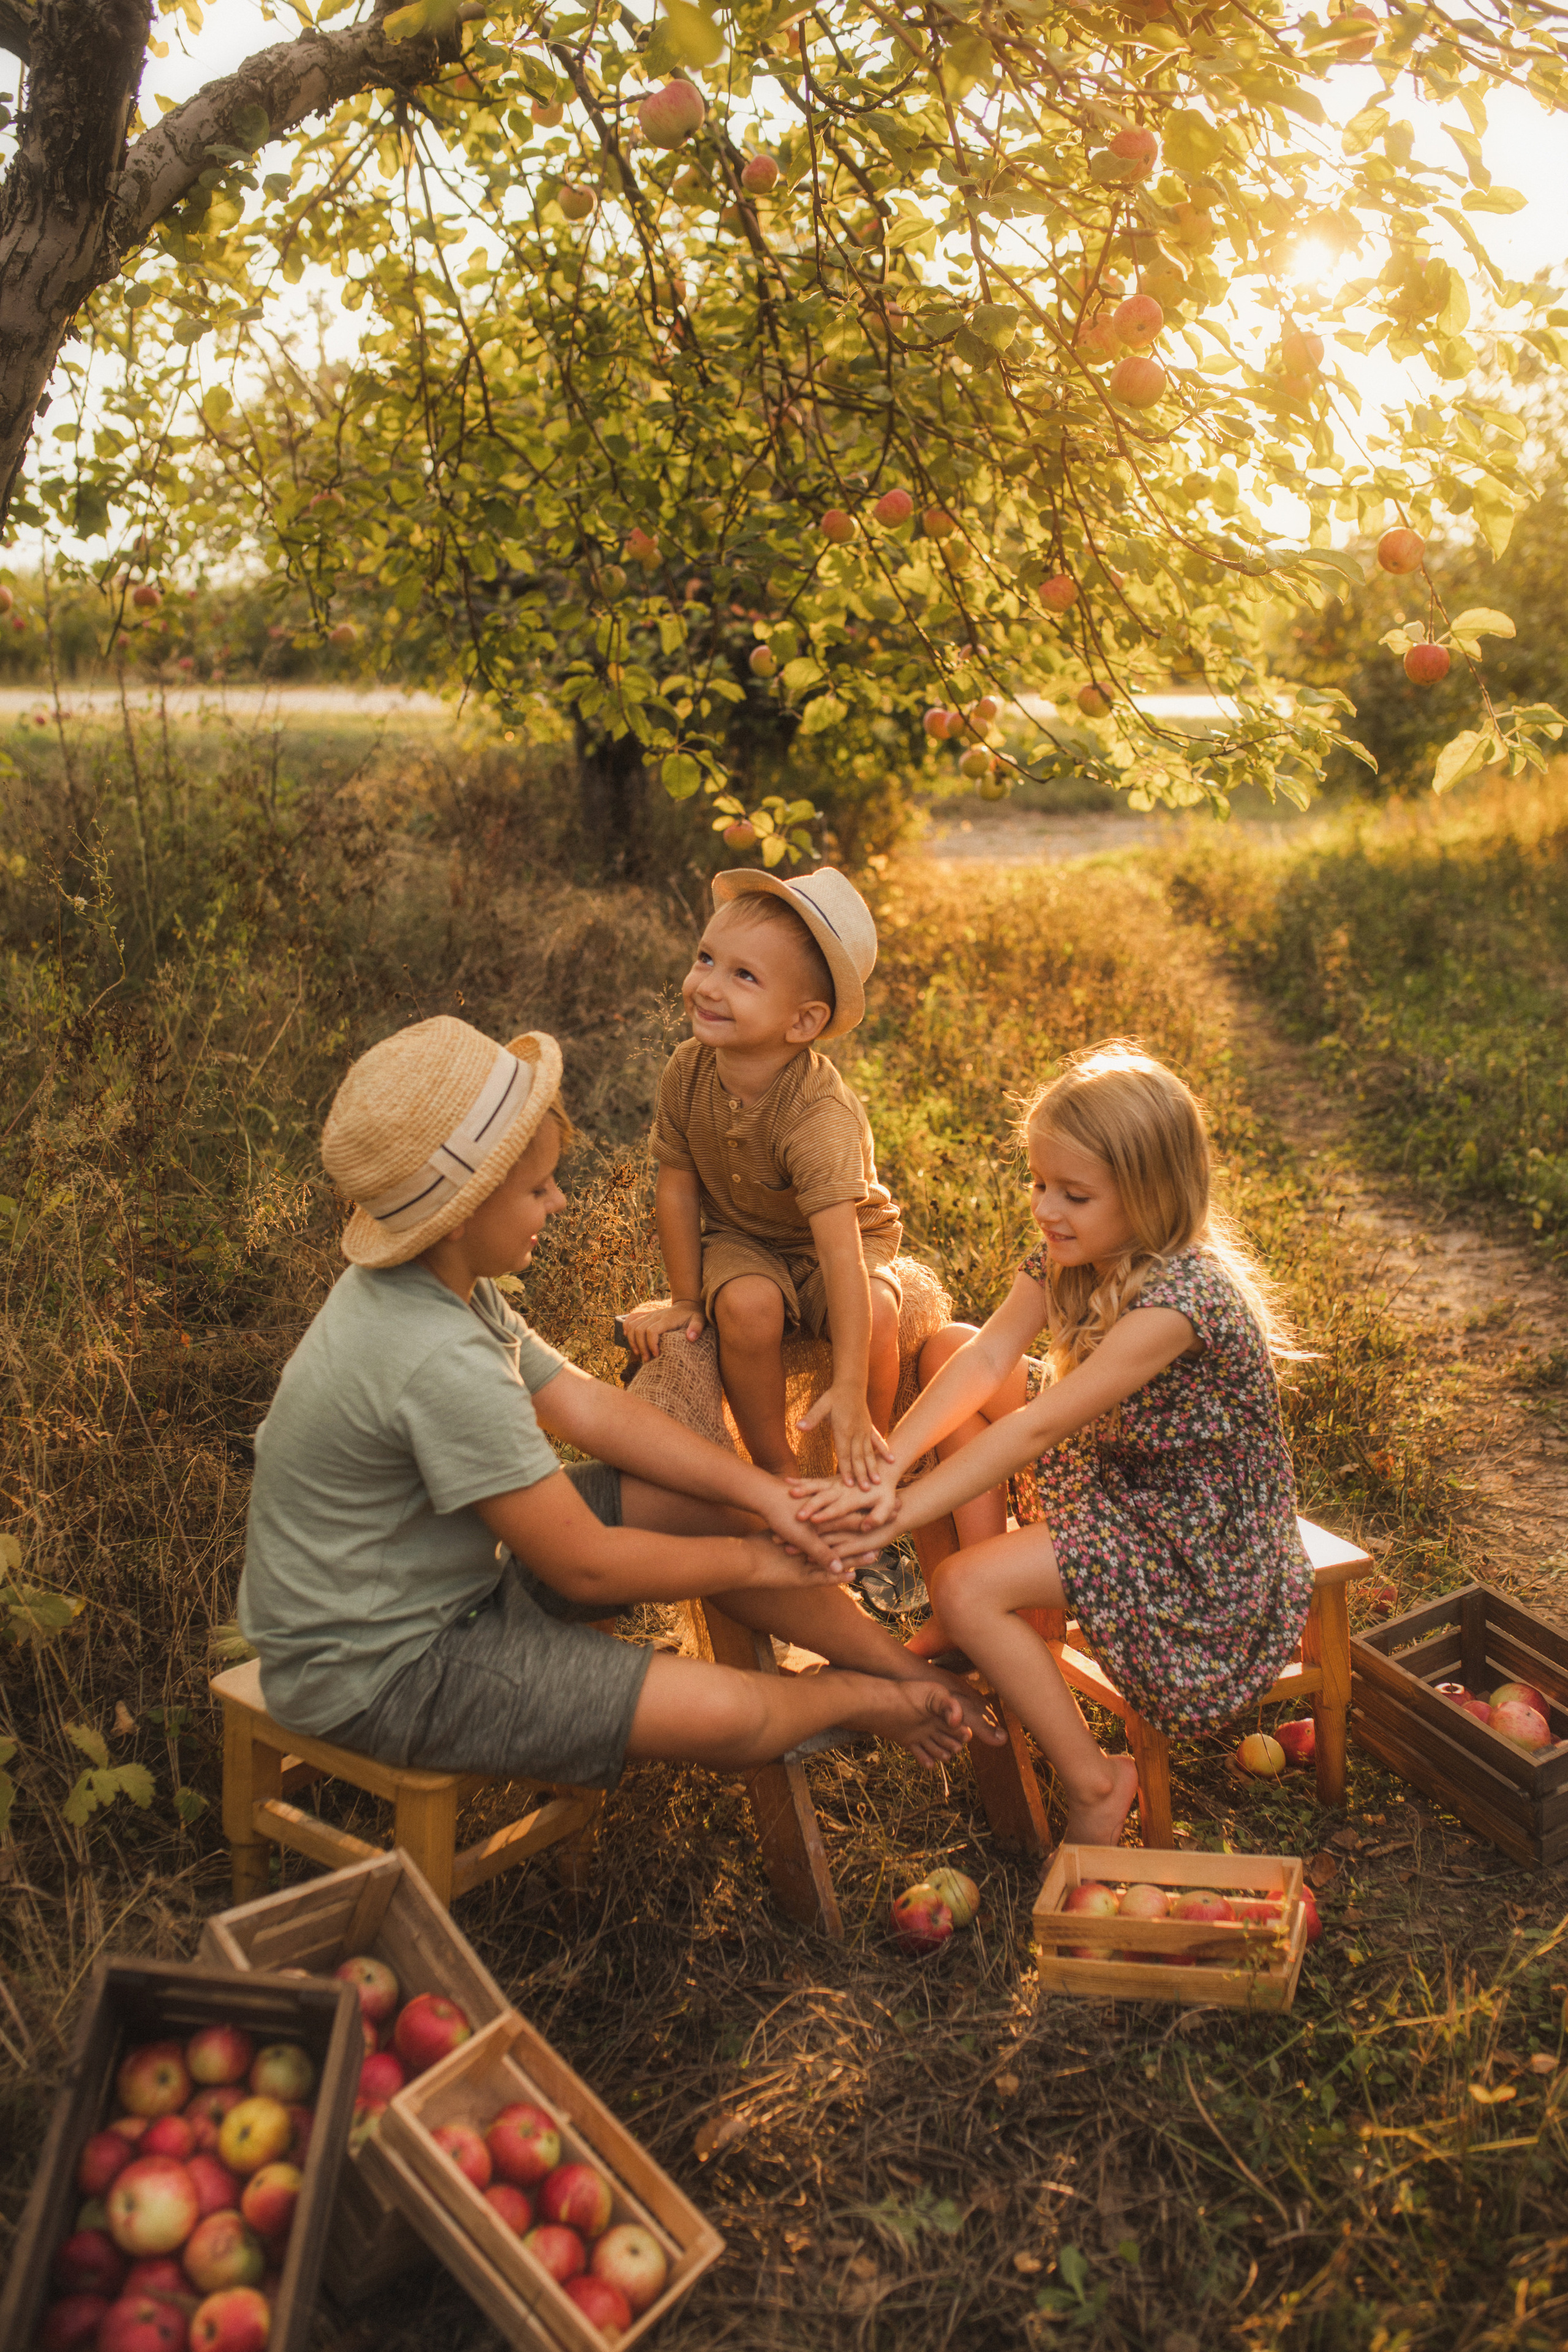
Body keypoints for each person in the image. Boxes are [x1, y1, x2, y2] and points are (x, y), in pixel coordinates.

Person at [238, 1015, 999, 1792]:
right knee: (726, 1715)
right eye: (537, 1188)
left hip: (456, 1576)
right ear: (462, 1215)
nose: (559, 1200)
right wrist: (759, 1556)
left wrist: (766, 1497)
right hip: (384, 1666)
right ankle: (864, 1700)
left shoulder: (442, 1283)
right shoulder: (436, 1359)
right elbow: (585, 1567)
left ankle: (901, 1668)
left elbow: (587, 1408)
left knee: (715, 1506)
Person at [798, 1040, 1312, 1847]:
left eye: (1074, 1193)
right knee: (953, 1345)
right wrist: (884, 1471)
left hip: (1190, 1532)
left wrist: (890, 1516)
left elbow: (1040, 1427)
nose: (1047, 1208)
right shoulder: (1075, 1248)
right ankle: (997, 1605)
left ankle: (1095, 1779)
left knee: (961, 1587)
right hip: (1121, 1462)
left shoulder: (1179, 1304)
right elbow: (989, 1358)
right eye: (1040, 1183)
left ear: (1150, 1197)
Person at [622, 867, 903, 1485]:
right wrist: (686, 1300)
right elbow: (677, 1189)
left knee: (880, 1314)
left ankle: (867, 1456)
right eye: (706, 959)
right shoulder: (687, 1070)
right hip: (740, 1235)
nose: (707, 986)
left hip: (834, 1243)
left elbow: (841, 1255)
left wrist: (849, 1383)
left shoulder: (817, 1118)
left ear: (802, 1022)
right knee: (747, 1306)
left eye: (743, 976)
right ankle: (777, 1469)